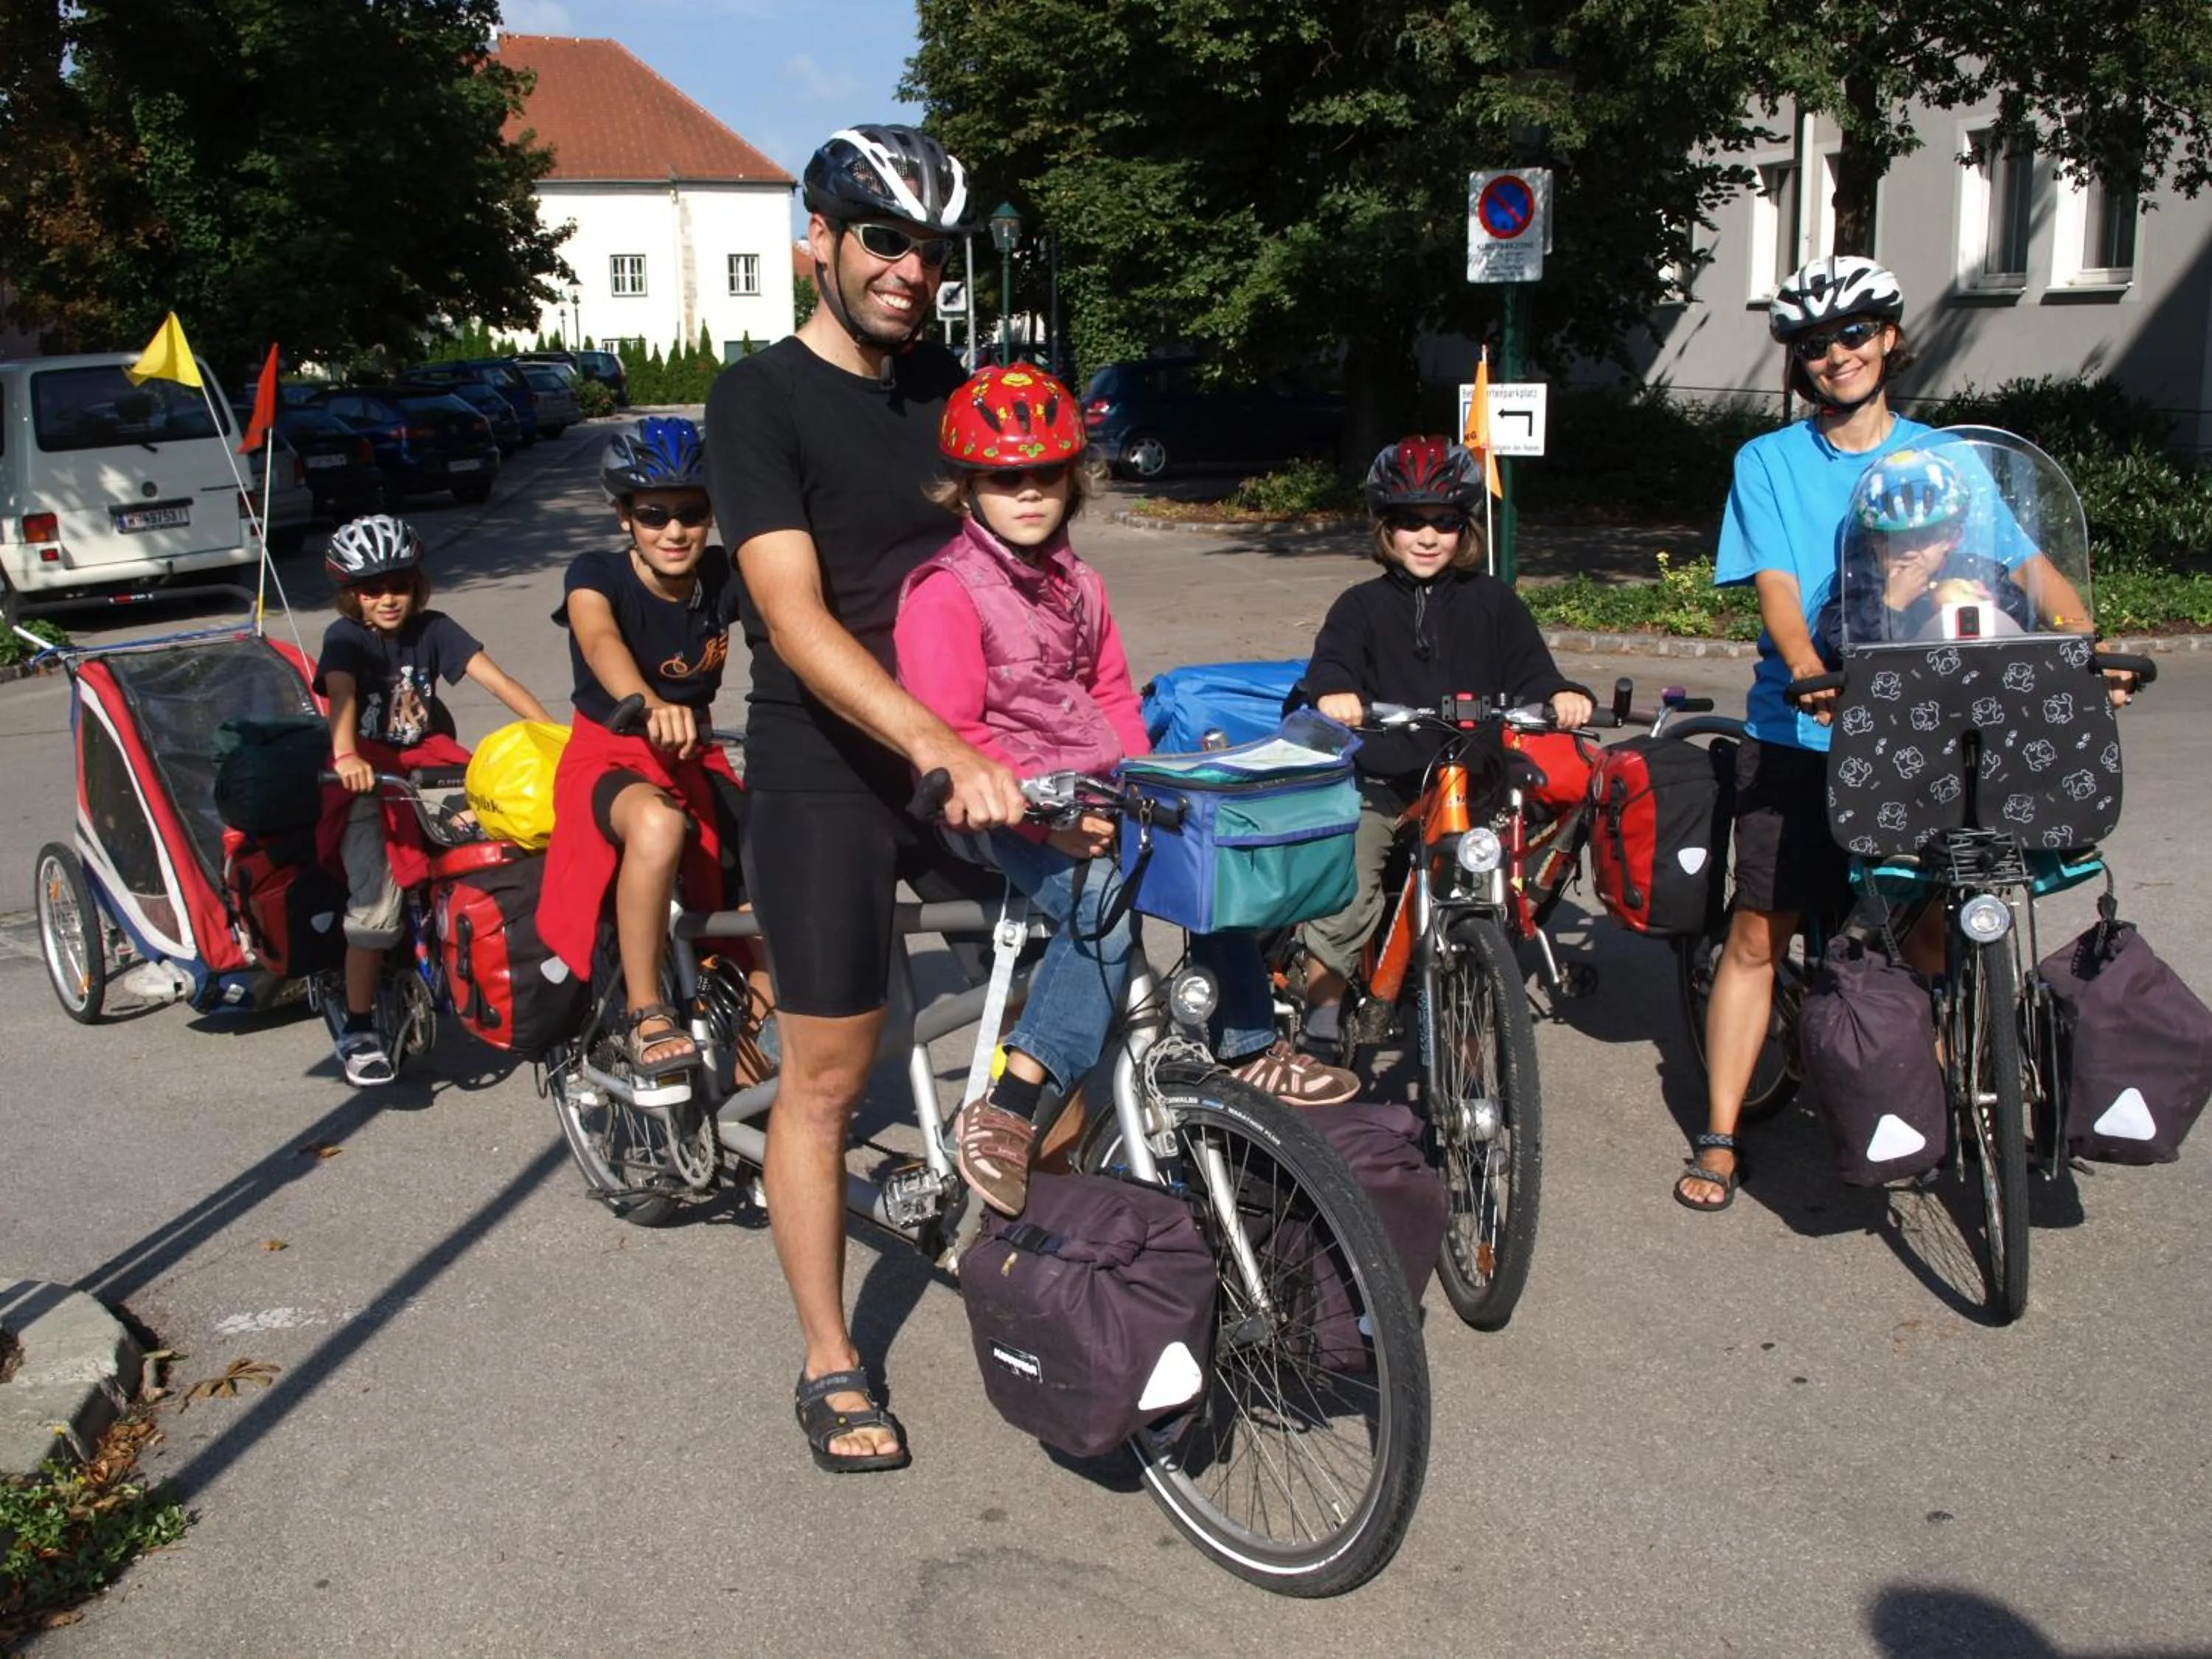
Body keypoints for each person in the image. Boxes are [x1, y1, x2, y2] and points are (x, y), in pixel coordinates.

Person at [703, 123, 1026, 1475]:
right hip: (825, 765)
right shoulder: (759, 399)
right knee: (830, 1078)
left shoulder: (952, 386)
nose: (913, 270)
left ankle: (996, 1200)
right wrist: (929, 736)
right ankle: (832, 1355)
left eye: (934, 250)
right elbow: (788, 613)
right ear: (816, 247)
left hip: (962, 749)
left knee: (1078, 972)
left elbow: (1024, 559)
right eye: (885, 240)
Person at [893, 364, 1362, 1217]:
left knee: (1204, 850)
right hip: (992, 803)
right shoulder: (945, 593)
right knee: (1103, 900)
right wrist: (1051, 818)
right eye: (1006, 478)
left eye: (1045, 475)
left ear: (1072, 479)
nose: (1029, 494)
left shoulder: (1080, 584)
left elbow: (1110, 693)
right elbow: (957, 736)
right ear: (967, 489)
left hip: (1095, 789)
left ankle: (1249, 1042)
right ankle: (1011, 1101)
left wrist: (1148, 786)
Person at [1678, 254, 1932, 1212]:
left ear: (1890, 340)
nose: (1836, 356)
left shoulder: (1938, 456)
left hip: (1915, 725)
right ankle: (1720, 1132)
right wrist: (1809, 670)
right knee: (1759, 930)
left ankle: (1920, 1088)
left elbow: (2015, 570)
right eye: (1816, 345)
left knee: (1931, 922)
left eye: (1855, 335)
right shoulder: (1770, 462)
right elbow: (1781, 589)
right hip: (1803, 724)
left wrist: (2083, 644)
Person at [1290, 437, 1594, 1057]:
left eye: (1444, 522)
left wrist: (1560, 695)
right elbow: (1333, 665)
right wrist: (1337, 693)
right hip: (1386, 780)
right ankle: (1321, 1011)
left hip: (1470, 779)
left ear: (1465, 528)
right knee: (1348, 884)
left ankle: (1477, 997)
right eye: (1409, 522)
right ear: (1386, 530)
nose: (1426, 537)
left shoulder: (1494, 602)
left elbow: (1533, 671)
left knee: (1498, 879)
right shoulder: (1361, 606)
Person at [536, 418, 749, 1078]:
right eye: (654, 514)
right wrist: (650, 703)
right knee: (657, 826)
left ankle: (756, 1084)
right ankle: (644, 1008)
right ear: (624, 515)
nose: (675, 531)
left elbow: (794, 619)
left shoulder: (721, 574)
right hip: (611, 757)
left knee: (786, 864)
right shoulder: (596, 572)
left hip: (697, 758)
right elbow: (599, 638)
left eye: (691, 511)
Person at [317, 514, 552, 1087]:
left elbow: (497, 681)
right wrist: (347, 757)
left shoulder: (436, 629)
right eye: (372, 589)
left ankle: (484, 967)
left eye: (398, 584)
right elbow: (343, 698)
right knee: (375, 909)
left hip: (431, 764)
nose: (388, 598)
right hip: (369, 774)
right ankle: (358, 1025)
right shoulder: (344, 638)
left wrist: (552, 735)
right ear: (352, 595)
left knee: (493, 844)